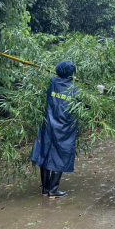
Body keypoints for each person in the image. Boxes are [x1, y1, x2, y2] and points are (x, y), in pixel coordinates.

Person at [31, 60, 79, 198]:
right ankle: (53, 190)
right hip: (65, 128)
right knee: (61, 155)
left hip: (49, 124)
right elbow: (85, 106)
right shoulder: (76, 88)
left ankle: (46, 189)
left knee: (45, 153)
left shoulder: (53, 82)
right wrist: (98, 93)